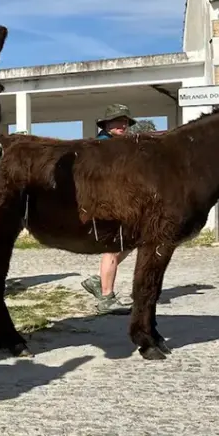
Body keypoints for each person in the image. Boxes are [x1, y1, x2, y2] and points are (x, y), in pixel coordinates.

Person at [81, 103, 136, 314]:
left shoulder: (118, 144)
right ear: (106, 124)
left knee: (129, 243)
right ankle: (106, 299)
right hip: (106, 204)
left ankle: (99, 280)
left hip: (118, 203)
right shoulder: (102, 146)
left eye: (125, 121)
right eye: (117, 121)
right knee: (112, 247)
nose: (123, 124)